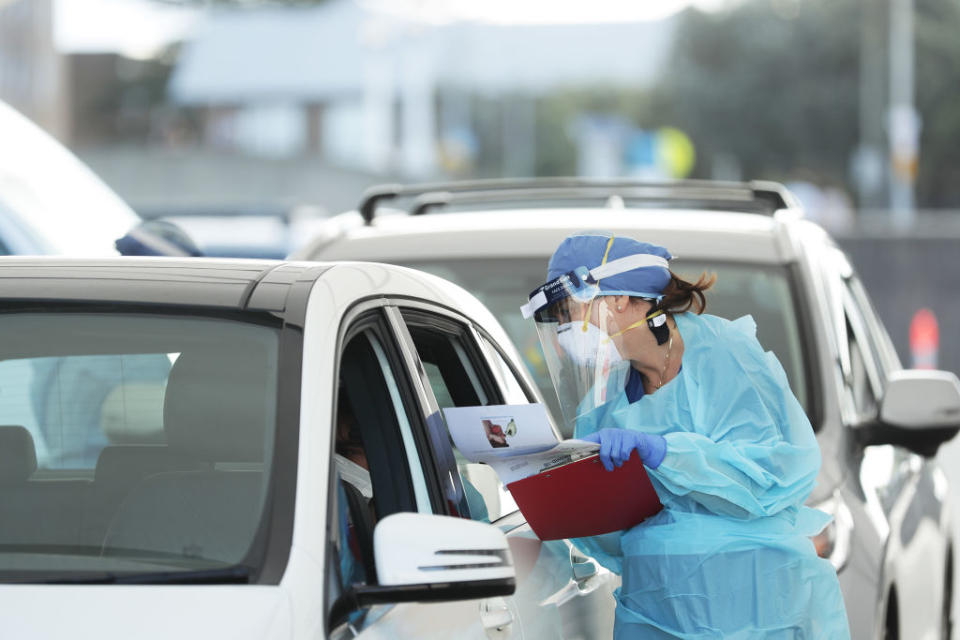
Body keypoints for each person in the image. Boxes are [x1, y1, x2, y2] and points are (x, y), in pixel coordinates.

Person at [520, 232, 850, 639]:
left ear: (619, 298)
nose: (566, 329)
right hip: (655, 611)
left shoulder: (723, 353)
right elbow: (607, 535)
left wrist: (666, 454)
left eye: (569, 311)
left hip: (755, 609)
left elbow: (776, 473)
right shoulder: (605, 401)